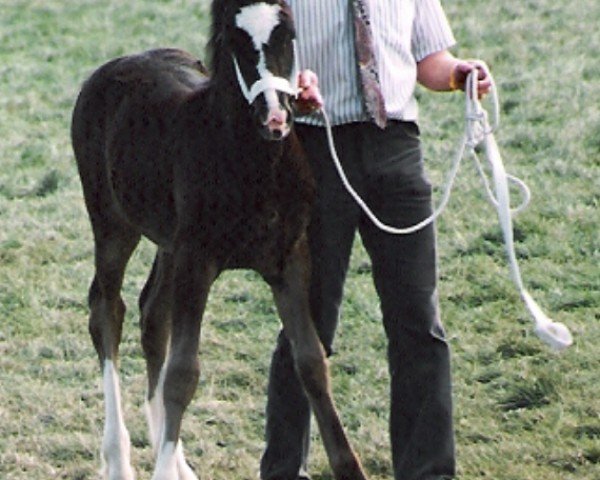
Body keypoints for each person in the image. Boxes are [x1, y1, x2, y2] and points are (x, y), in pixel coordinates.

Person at [261, 2, 492, 480]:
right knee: (310, 321)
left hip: (397, 148)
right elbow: (261, 64)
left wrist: (460, 73)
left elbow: (431, 61)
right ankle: (283, 470)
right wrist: (291, 94)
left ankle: (427, 472)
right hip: (315, 148)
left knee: (418, 322)